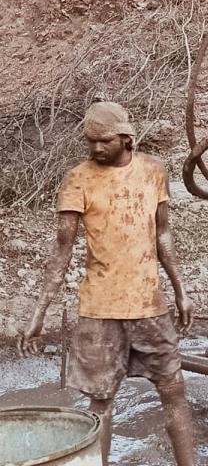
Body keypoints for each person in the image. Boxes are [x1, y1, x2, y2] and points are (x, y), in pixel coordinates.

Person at [17, 101, 195, 466]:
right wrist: (38, 313)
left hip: (149, 305)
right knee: (101, 402)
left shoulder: (152, 171)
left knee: (174, 390)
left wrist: (181, 291)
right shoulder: (78, 178)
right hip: (100, 310)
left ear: (126, 138)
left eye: (104, 141)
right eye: (90, 142)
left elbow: (163, 236)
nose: (96, 148)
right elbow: (61, 251)